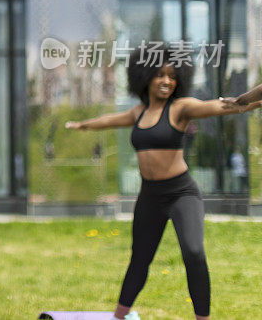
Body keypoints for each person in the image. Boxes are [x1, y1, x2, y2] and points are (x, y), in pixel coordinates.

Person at [65, 46, 261, 320]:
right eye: (160, 75)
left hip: (181, 193)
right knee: (140, 258)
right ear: (146, 78)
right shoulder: (138, 113)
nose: (167, 81)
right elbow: (110, 120)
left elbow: (219, 107)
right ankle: (119, 316)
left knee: (194, 252)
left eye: (172, 76)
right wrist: (82, 125)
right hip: (150, 196)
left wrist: (248, 102)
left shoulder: (181, 108)